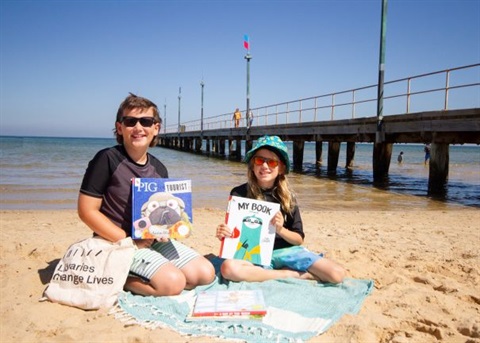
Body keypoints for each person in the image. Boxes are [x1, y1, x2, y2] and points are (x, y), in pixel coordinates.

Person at [78, 93, 215, 296]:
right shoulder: (107, 159)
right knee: (173, 283)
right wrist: (128, 240)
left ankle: (153, 267)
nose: (139, 128)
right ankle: (121, 277)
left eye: (146, 121)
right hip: (115, 242)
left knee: (204, 274)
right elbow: (86, 211)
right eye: (131, 121)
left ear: (156, 128)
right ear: (119, 128)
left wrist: (168, 231)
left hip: (151, 239)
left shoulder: (159, 168)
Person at [215, 135, 346, 284]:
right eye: (259, 160)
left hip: (286, 251)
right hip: (253, 255)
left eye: (271, 162)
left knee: (337, 275)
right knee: (228, 269)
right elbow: (234, 234)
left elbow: (298, 240)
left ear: (281, 168)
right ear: (252, 165)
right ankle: (289, 275)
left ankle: (270, 273)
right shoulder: (238, 194)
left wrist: (281, 229)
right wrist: (224, 233)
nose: (265, 166)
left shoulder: (287, 198)